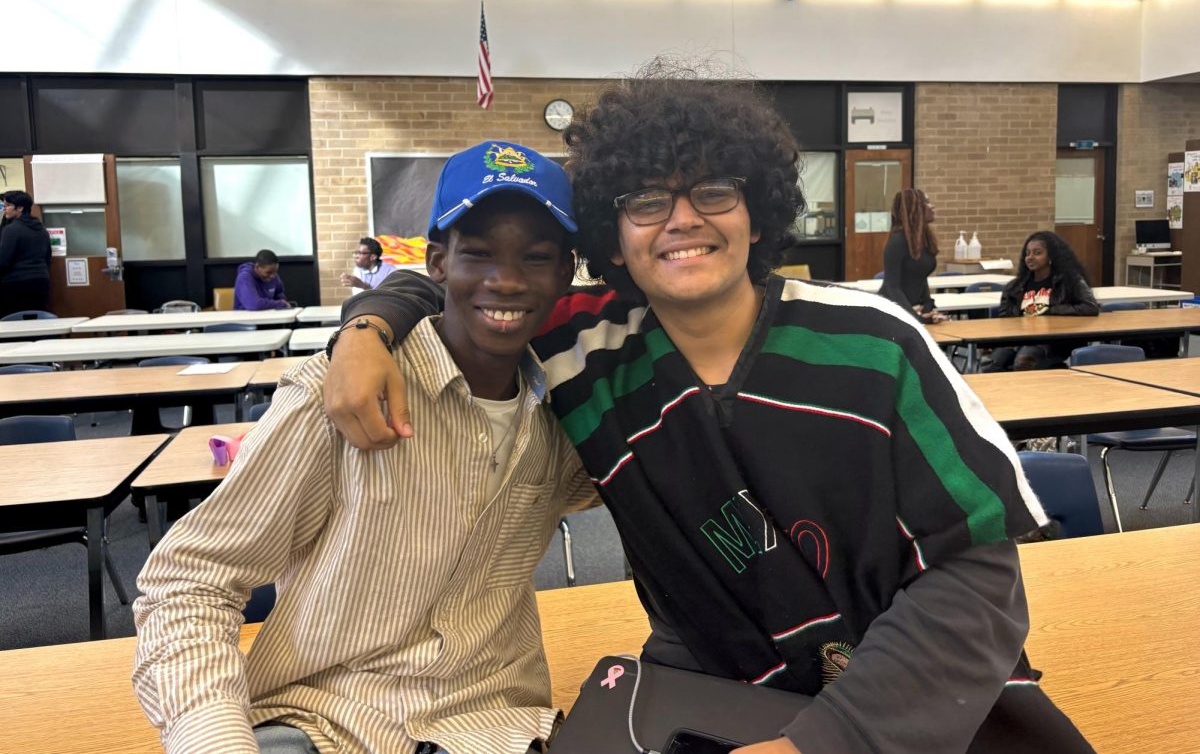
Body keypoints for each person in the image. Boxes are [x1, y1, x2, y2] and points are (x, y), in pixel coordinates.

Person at [324, 73, 1090, 752]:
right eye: (648, 201)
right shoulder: (585, 349)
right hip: (714, 691)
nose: (683, 219)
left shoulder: (875, 346)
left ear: (757, 216)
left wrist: (828, 742)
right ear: (613, 239)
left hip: (906, 701)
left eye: (714, 192)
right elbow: (472, 285)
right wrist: (368, 328)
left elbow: (976, 579)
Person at [132, 140, 595, 754]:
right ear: (437, 262)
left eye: (535, 259)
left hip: (499, 726)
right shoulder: (339, 398)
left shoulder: (568, 414)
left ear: (565, 273)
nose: (505, 280)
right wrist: (214, 739)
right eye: (477, 254)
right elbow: (191, 580)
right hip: (329, 724)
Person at [984, 231, 1100, 372]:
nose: (1030, 257)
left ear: (1051, 256)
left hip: (1054, 342)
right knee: (991, 364)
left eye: (1037, 253)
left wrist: (1050, 311)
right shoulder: (1014, 287)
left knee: (1024, 361)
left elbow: (1090, 307)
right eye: (1028, 253)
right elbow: (1005, 318)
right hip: (1019, 339)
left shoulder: (1070, 282)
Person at [879, 188, 947, 323]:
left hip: (911, 311)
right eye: (926, 203)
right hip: (893, 312)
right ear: (914, 210)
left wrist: (928, 307)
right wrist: (915, 318)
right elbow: (892, 287)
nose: (932, 206)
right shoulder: (897, 241)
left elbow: (920, 277)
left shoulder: (923, 240)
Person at [0, 190, 52, 318]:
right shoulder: (41, 228)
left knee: (13, 323)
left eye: (7, 206)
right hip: (41, 281)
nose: (4, 209)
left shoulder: (11, 229)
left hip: (16, 284)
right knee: (37, 320)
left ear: (20, 208)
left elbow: (3, 260)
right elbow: (48, 258)